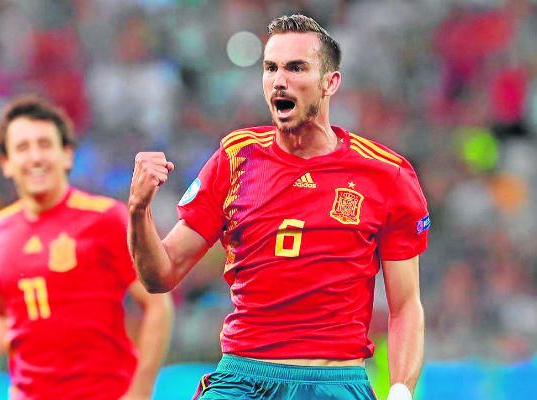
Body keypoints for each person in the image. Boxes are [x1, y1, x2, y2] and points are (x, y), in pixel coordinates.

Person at [128, 14, 428, 400]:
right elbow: (161, 275)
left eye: (296, 67)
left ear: (330, 82)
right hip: (242, 378)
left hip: (333, 383)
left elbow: (405, 306)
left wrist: (401, 391)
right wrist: (139, 212)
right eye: (271, 68)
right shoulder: (235, 159)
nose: (279, 80)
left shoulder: (387, 174)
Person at [0, 96, 173, 400]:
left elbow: (156, 304)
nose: (35, 158)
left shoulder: (105, 219)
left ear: (67, 155)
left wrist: (140, 391)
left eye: (45, 145)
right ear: (6, 164)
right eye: (22, 148)